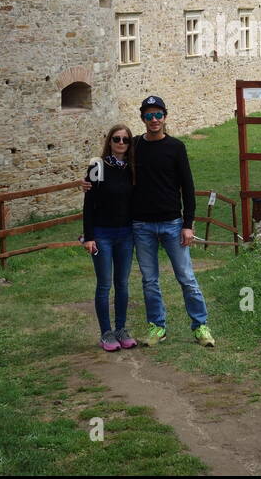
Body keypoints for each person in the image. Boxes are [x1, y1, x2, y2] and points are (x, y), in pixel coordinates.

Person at [131, 95, 214, 347]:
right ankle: (157, 327)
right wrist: (91, 180)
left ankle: (200, 326)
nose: (154, 120)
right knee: (149, 280)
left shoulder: (176, 147)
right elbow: (112, 167)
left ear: (165, 117)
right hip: (142, 225)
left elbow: (187, 187)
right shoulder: (134, 145)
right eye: (148, 115)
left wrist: (188, 224)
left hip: (171, 223)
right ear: (142, 119)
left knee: (186, 277)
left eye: (158, 115)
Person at [80, 124, 138, 351]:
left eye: (125, 140)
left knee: (122, 284)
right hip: (102, 233)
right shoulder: (98, 166)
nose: (121, 143)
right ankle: (106, 333)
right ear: (109, 142)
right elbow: (89, 203)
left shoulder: (133, 168)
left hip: (125, 233)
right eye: (116, 139)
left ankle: (121, 329)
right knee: (104, 284)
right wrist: (89, 236)